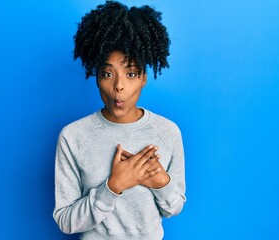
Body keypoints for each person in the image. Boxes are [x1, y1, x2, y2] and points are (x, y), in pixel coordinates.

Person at [53, 1, 186, 239]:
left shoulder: (167, 132)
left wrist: (161, 183)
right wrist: (113, 186)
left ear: (144, 77)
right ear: (96, 77)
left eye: (131, 73)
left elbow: (173, 208)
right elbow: (65, 221)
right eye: (107, 74)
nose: (119, 86)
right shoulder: (73, 136)